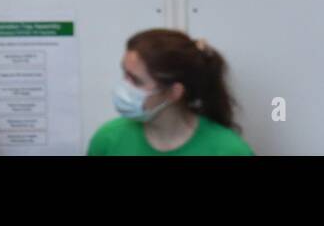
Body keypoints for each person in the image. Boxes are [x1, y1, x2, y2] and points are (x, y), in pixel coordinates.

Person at [87, 29, 252, 156]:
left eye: (136, 81)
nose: (124, 87)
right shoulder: (108, 140)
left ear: (174, 92)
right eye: (125, 74)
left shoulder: (228, 150)